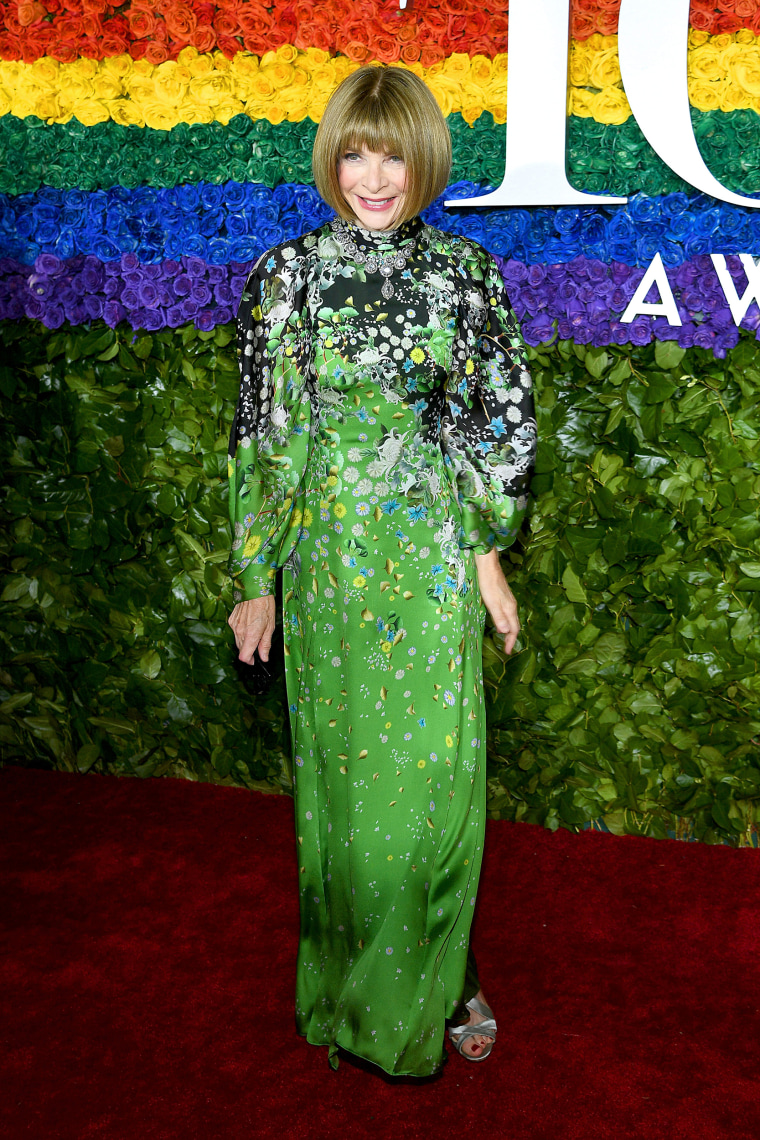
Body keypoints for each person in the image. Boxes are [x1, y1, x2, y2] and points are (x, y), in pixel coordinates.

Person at [227, 65, 536, 1077]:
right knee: (349, 794)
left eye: (391, 153)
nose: (371, 175)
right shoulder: (285, 277)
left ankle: (446, 974)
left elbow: (488, 425)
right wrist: (256, 573)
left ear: (423, 161)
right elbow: (267, 435)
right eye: (354, 151)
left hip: (431, 560)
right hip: (327, 567)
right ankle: (370, 973)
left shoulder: (464, 276)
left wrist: (488, 559)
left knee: (431, 788)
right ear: (331, 157)